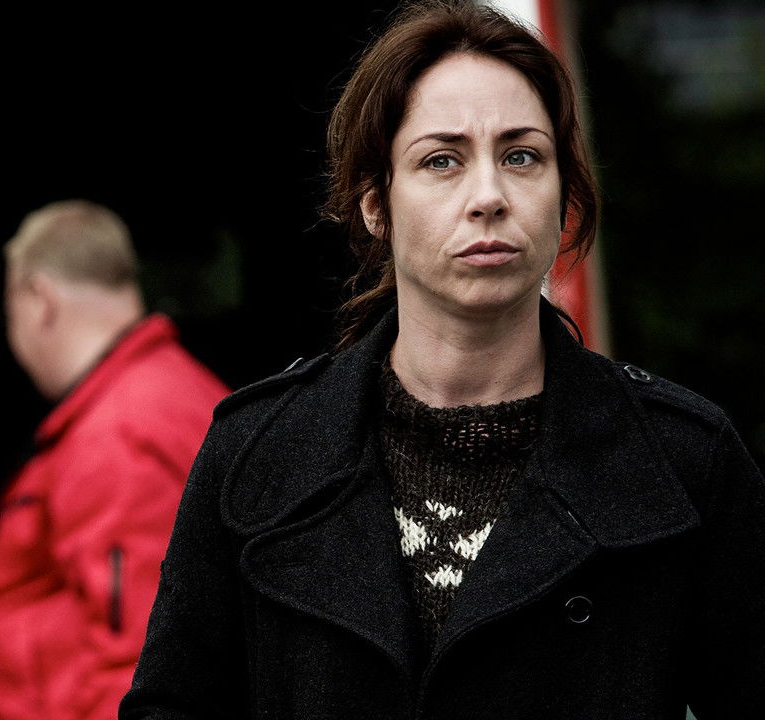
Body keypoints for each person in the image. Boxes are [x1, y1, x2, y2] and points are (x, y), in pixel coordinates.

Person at [120, 2, 765, 718]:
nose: (489, 196)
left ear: (565, 194)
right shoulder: (257, 454)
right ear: (375, 204)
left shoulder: (685, 461)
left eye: (521, 156)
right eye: (442, 160)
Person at [0, 199, 230, 720]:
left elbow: (137, 666)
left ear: (40, 299)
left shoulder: (119, 433)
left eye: (10, 311)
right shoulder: (171, 394)